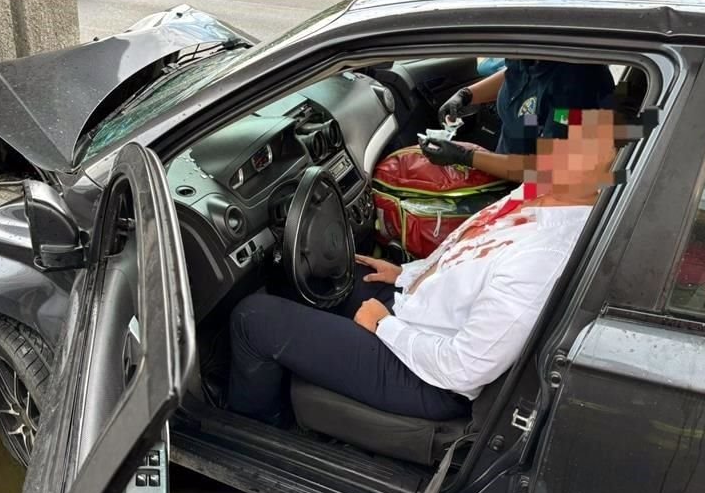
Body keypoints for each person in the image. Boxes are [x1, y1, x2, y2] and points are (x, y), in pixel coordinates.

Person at [227, 110, 618, 426]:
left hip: (427, 377)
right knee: (304, 283)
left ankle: (253, 432)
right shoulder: (539, 193)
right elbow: (466, 250)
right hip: (416, 310)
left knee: (253, 319)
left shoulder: (544, 256)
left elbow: (464, 369)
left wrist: (384, 325)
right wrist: (406, 274)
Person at [423, 0, 614, 181]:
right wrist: (467, 95)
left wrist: (468, 155)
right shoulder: (534, 37)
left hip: (540, 203)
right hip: (505, 175)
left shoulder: (577, 81)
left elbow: (547, 171)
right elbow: (518, 73)